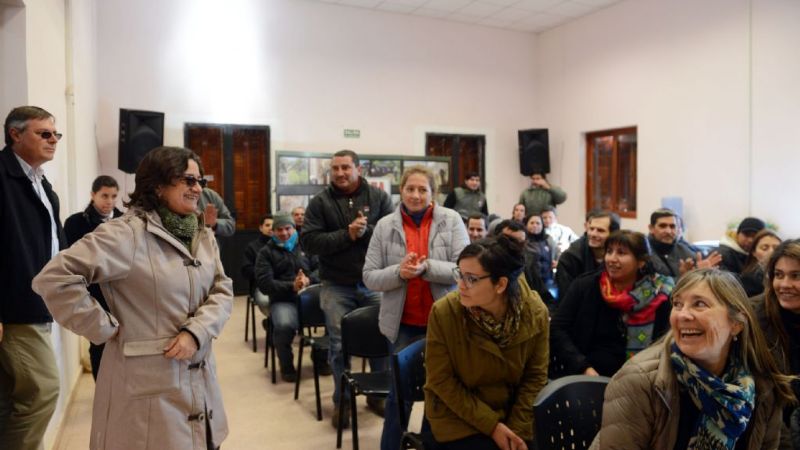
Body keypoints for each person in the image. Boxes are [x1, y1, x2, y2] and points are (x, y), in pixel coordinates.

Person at [32, 146, 233, 450]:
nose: (197, 188)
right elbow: (54, 278)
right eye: (188, 180)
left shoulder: (202, 234)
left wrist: (197, 331)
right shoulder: (125, 234)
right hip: (147, 388)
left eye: (199, 181)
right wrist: (102, 328)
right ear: (157, 185)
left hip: (200, 383)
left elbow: (222, 288)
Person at [591, 268, 795, 449]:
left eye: (699, 304)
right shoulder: (639, 380)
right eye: (677, 304)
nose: (682, 315)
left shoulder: (761, 383)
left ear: (736, 323)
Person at [363, 165, 469, 450]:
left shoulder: (453, 220)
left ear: (434, 193)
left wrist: (427, 268)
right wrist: (400, 272)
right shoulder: (385, 225)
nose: (416, 195)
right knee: (399, 398)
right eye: (410, 188)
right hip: (403, 327)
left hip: (445, 324)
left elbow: (466, 270)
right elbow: (369, 276)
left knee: (446, 394)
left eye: (423, 189)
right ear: (401, 190)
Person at [424, 236, 549, 450]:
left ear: (501, 284)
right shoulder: (445, 312)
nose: (460, 285)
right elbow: (441, 381)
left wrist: (516, 430)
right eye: (459, 275)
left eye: (471, 279)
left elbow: (535, 377)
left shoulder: (535, 312)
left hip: (511, 412)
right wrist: (493, 427)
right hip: (456, 416)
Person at [300, 149, 393, 428]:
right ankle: (342, 401)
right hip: (336, 285)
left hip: (373, 283)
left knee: (381, 339)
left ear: (358, 169)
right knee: (339, 346)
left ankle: (376, 395)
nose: (340, 173)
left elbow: (392, 233)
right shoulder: (319, 202)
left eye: (345, 168)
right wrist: (347, 234)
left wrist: (367, 229)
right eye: (335, 169)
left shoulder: (379, 198)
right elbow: (309, 241)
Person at [0, 106, 62, 450]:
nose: (53, 140)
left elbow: (53, 240)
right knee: (44, 391)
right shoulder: (3, 176)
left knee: (11, 400)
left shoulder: (40, 182)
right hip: (15, 308)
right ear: (15, 134)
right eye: (44, 134)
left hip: (39, 303)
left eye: (56, 134)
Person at [550, 230, 673, 377]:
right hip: (586, 377)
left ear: (641, 261)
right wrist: (583, 367)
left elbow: (666, 342)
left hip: (641, 380)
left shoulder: (658, 293)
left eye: (621, 253)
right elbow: (558, 329)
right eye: (609, 251)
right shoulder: (585, 286)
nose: (612, 259)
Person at [63, 175, 124, 380]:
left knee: (124, 346)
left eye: (114, 196)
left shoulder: (126, 221)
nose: (109, 201)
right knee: (98, 346)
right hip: (93, 296)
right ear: (93, 195)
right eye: (104, 195)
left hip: (123, 294)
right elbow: (69, 262)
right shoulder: (75, 223)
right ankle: (102, 391)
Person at [255, 214, 319, 382]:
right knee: (284, 326)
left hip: (311, 297)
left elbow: (322, 269)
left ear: (294, 228)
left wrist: (308, 280)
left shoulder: (307, 244)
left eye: (287, 228)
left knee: (332, 318)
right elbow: (265, 284)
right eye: (279, 229)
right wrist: (292, 286)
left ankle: (320, 357)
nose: (284, 233)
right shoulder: (266, 252)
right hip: (283, 299)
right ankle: (286, 364)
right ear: (273, 231)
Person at [754, 240, 800, 449]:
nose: (784, 284)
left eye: (796, 276)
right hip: (774, 432)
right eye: (778, 275)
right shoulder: (754, 318)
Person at [555, 210, 620, 298]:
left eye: (600, 230)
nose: (593, 234)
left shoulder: (621, 256)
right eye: (591, 229)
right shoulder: (570, 257)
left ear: (613, 234)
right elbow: (566, 297)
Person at [647, 208, 721, 279]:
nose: (668, 231)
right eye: (662, 226)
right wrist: (686, 277)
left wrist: (705, 273)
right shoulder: (643, 252)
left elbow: (699, 273)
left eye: (672, 226)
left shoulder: (683, 250)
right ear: (651, 228)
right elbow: (654, 287)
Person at [241, 213, 274, 314]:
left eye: (273, 225)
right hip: (261, 285)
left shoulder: (283, 244)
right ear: (261, 228)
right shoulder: (252, 247)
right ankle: (272, 322)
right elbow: (246, 270)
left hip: (282, 283)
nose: (271, 228)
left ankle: (275, 324)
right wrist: (265, 273)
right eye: (267, 225)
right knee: (265, 301)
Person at [740, 229, 781, 297]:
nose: (771, 252)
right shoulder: (749, 278)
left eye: (776, 248)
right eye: (765, 248)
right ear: (754, 252)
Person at [524, 214, 558, 293]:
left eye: (538, 223)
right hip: (530, 282)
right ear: (526, 224)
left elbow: (556, 255)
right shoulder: (523, 241)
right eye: (532, 223)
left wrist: (556, 261)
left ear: (542, 225)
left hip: (547, 280)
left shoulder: (548, 239)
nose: (535, 225)